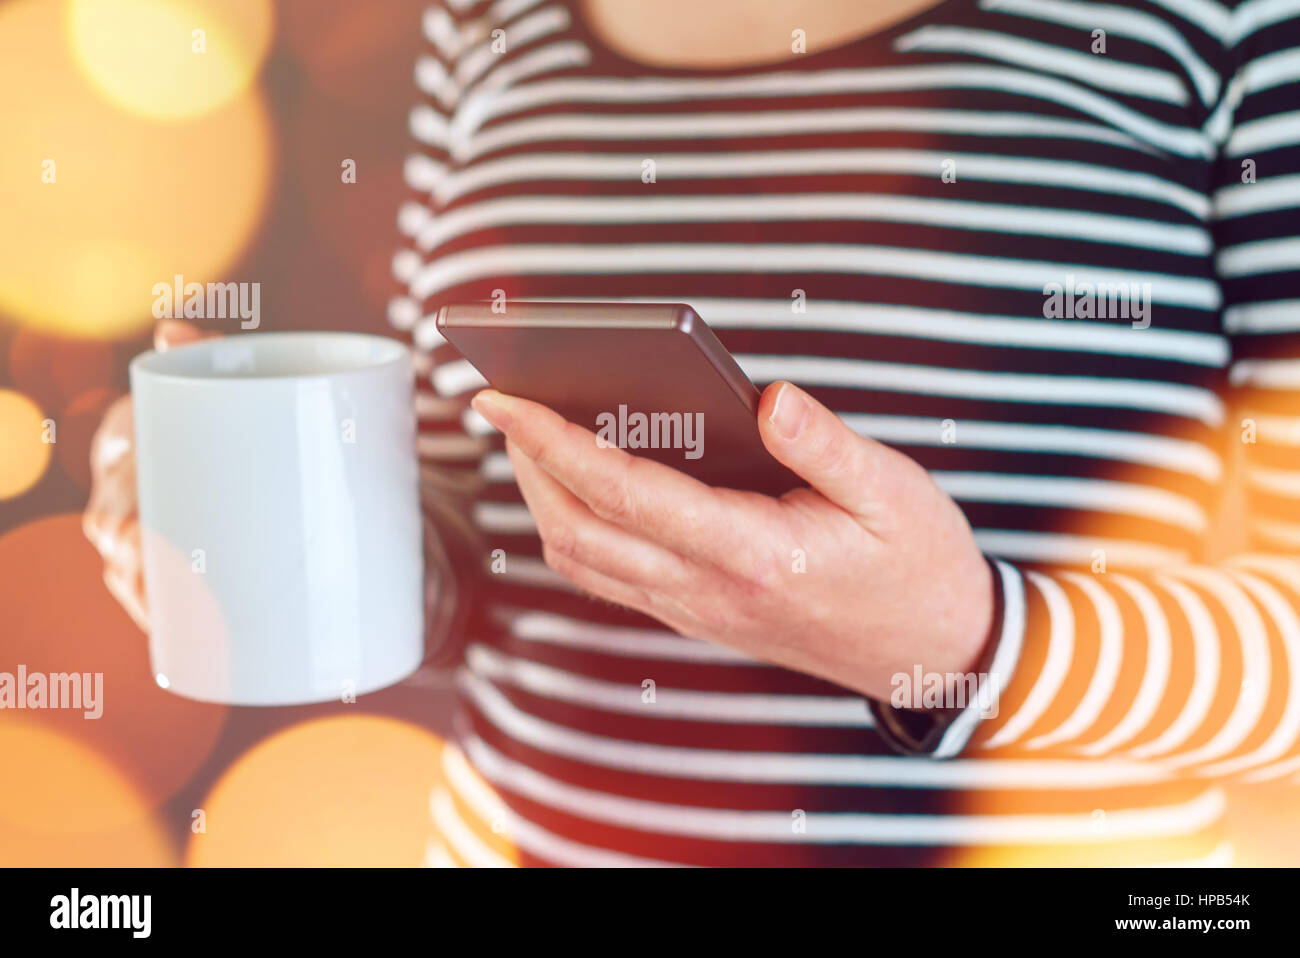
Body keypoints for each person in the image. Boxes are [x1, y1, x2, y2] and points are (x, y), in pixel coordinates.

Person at [86, 0, 1300, 866]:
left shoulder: (1224, 24)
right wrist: (263, 546)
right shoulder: (486, 22)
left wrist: (968, 644)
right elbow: (470, 528)